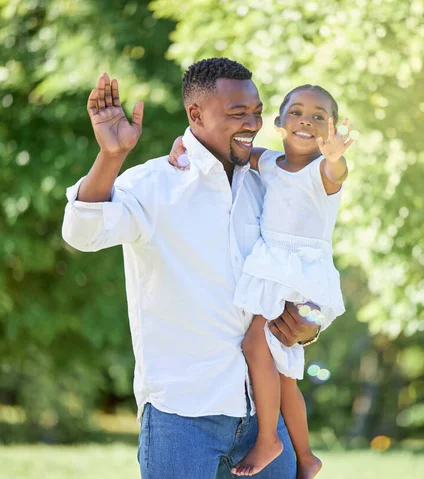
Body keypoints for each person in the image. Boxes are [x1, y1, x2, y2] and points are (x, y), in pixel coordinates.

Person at [61, 58, 322, 479]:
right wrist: (112, 156)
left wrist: (309, 324)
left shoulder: (270, 182)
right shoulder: (153, 185)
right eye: (237, 113)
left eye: (256, 112)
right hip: (181, 417)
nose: (252, 123)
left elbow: (306, 262)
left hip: (264, 416)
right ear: (195, 115)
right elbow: (82, 233)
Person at [169, 85, 357, 478]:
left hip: (297, 272)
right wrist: (183, 143)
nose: (306, 120)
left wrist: (336, 157)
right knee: (283, 371)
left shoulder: (320, 172)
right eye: (297, 112)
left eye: (319, 117)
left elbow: (335, 172)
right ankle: (306, 456)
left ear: (330, 130)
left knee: (257, 343)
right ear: (278, 122)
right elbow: (222, 149)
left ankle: (269, 438)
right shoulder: (269, 163)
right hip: (277, 268)